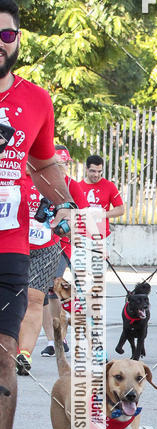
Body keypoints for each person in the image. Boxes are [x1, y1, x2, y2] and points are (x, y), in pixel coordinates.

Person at [0, 0, 75, 429]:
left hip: (9, 247)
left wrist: (71, 206)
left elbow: (45, 165)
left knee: (4, 363)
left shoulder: (36, 101)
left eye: (6, 34)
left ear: (18, 39)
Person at [15, 174, 66, 374]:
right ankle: (9, 349)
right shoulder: (10, 172)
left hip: (45, 248)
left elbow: (76, 210)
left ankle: (24, 354)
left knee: (35, 299)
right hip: (13, 244)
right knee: (10, 299)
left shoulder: (56, 179)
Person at [40, 145, 76, 357]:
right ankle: (53, 339)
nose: (59, 169)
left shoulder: (72, 185)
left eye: (62, 165)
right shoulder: (41, 183)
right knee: (40, 294)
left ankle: (60, 336)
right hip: (39, 244)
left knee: (53, 287)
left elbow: (84, 217)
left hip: (63, 246)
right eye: (55, 164)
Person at [72, 154, 124, 245]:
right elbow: (71, 211)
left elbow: (120, 209)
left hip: (102, 237)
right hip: (81, 237)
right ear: (86, 169)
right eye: (93, 171)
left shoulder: (109, 186)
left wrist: (102, 214)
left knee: (102, 259)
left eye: (99, 171)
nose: (96, 175)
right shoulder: (78, 187)